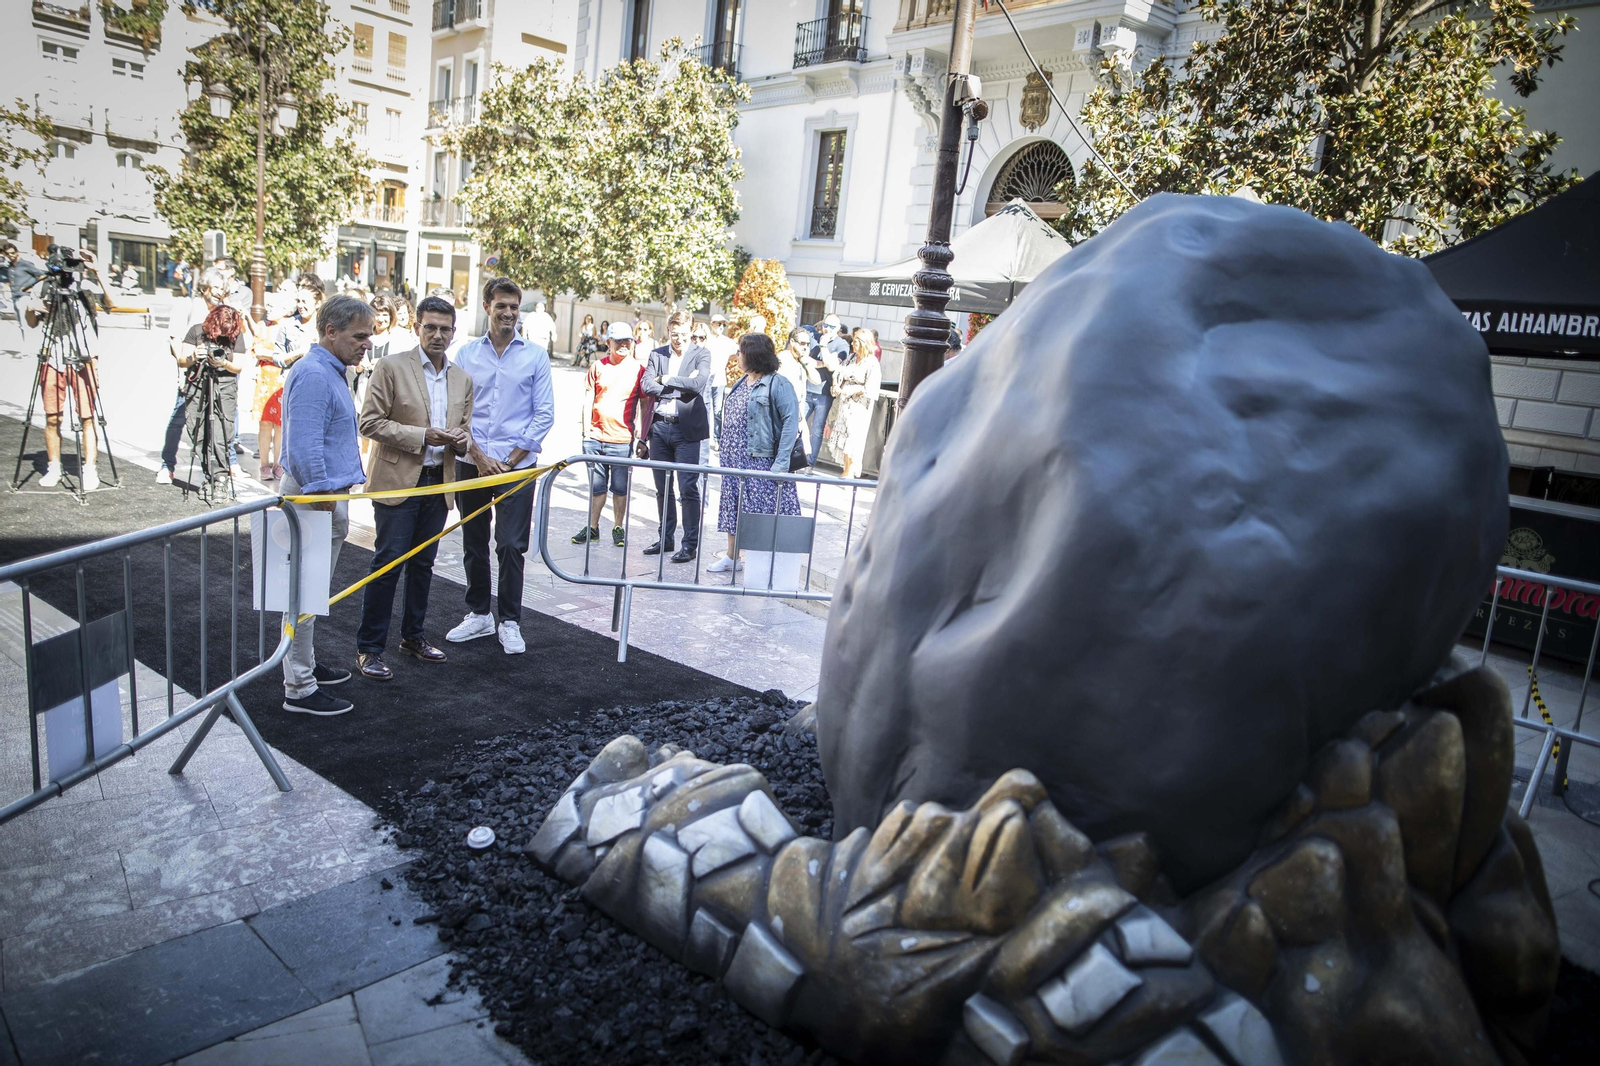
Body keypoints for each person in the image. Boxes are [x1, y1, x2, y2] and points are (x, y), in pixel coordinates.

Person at [354, 295, 474, 680]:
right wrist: (422, 436)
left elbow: (466, 431)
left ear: (454, 333)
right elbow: (369, 423)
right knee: (388, 563)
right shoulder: (391, 367)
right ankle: (370, 648)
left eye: (444, 329)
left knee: (423, 564)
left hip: (439, 483)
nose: (437, 335)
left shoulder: (462, 378)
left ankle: (413, 637)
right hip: (397, 480)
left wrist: (462, 440)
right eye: (430, 327)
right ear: (417, 327)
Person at [446, 277, 556, 655]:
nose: (508, 313)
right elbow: (456, 412)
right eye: (501, 306)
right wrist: (479, 457)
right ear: (487, 307)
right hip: (471, 462)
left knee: (510, 544)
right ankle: (479, 614)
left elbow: (544, 414)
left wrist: (508, 461)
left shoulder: (535, 356)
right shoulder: (466, 355)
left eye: (514, 307)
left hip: (517, 467)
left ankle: (509, 620)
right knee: (474, 542)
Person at [279, 295, 375, 716]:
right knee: (303, 595)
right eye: (360, 336)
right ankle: (299, 687)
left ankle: (304, 666)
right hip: (313, 497)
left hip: (323, 497)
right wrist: (321, 498)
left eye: (369, 336)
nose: (367, 344)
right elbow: (303, 447)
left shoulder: (328, 370)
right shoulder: (315, 374)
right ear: (330, 332)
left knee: (310, 594)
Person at [711, 332, 802, 574]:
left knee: (761, 515)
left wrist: (780, 465)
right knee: (734, 510)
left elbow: (791, 423)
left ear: (752, 355)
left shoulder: (778, 384)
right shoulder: (743, 380)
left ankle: (761, 566)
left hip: (760, 462)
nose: (737, 356)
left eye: (740, 352)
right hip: (735, 462)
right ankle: (732, 557)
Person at [28, 248, 108, 489]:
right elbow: (32, 323)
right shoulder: (43, 287)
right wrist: (31, 308)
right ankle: (54, 467)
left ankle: (90, 468)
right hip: (52, 356)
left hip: (83, 356)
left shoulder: (84, 287)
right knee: (52, 417)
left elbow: (111, 303)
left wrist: (97, 272)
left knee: (87, 416)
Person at [640, 311, 712, 564]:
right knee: (662, 488)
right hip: (660, 428)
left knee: (688, 487)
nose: (678, 339)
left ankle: (689, 545)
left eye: (683, 334)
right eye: (674, 334)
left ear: (690, 331)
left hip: (686, 430)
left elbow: (698, 384)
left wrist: (666, 379)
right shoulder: (657, 354)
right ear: (668, 330)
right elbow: (646, 386)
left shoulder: (701, 354)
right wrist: (679, 387)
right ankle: (666, 538)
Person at [158, 269, 239, 484]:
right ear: (204, 287)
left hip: (219, 374)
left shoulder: (223, 310)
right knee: (181, 418)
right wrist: (183, 370)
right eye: (215, 288)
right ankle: (167, 465)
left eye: (222, 289)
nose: (219, 292)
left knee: (223, 419)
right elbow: (176, 342)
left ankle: (228, 464)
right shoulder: (187, 306)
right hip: (192, 371)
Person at [573, 321, 644, 547]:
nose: (624, 345)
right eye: (619, 341)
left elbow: (644, 404)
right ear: (608, 342)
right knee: (597, 487)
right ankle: (593, 527)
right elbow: (588, 399)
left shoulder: (639, 370)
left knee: (620, 488)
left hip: (622, 439)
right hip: (595, 437)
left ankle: (618, 527)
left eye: (628, 341)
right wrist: (586, 432)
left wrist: (642, 434)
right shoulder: (597, 367)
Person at [175, 303, 247, 486]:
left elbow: (238, 366)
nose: (224, 334)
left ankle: (220, 478)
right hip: (198, 383)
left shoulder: (236, 335)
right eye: (222, 330)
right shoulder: (196, 331)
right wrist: (194, 357)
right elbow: (182, 361)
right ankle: (209, 473)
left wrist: (223, 363)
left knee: (222, 432)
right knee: (197, 430)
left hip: (225, 385)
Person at [832, 327, 883, 479]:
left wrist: (851, 390)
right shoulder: (851, 357)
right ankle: (846, 468)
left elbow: (871, 388)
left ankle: (851, 471)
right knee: (844, 435)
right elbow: (838, 371)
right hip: (844, 404)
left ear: (864, 343)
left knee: (853, 438)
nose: (853, 344)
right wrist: (836, 384)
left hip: (859, 406)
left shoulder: (872, 363)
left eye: (856, 342)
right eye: (853, 341)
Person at [805, 314, 849, 462]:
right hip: (807, 389)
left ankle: (809, 463)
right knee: (797, 425)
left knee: (817, 430)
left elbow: (832, 366)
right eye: (825, 325)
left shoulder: (841, 344)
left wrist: (823, 347)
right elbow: (805, 359)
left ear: (838, 328)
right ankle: (794, 460)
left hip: (824, 393)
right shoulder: (813, 338)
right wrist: (824, 361)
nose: (827, 329)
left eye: (831, 326)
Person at [703, 313, 739, 438]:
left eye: (723, 325)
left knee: (718, 410)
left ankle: (717, 438)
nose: (721, 327)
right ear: (712, 324)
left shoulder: (727, 341)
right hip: (705, 379)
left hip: (719, 380)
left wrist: (727, 359)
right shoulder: (705, 339)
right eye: (719, 324)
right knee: (704, 409)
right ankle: (704, 436)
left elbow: (738, 353)